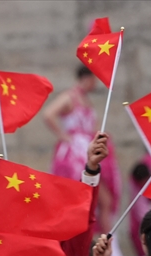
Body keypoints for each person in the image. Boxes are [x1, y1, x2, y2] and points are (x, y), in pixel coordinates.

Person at [43, 65, 119, 235]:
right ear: (87, 78)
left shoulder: (85, 100)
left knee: (103, 200)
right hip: (75, 156)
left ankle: (106, 243)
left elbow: (94, 126)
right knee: (79, 199)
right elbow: (48, 114)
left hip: (88, 150)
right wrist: (65, 136)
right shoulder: (70, 97)